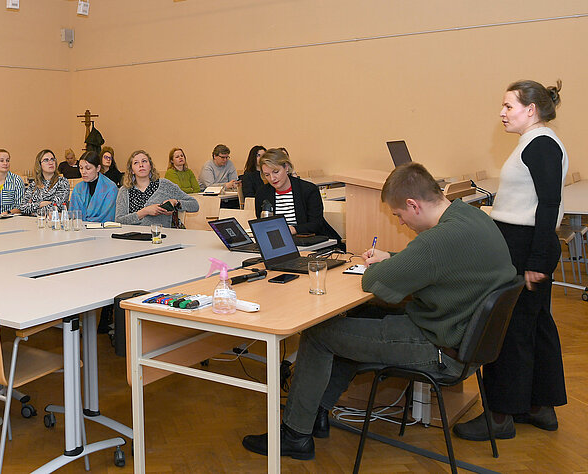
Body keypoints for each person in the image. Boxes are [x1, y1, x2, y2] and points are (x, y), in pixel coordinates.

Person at [242, 163, 518, 461]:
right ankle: (317, 414)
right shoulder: (470, 216)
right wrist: (392, 257)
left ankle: (295, 435)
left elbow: (373, 280)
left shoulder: (436, 241)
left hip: (439, 351)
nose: (401, 223)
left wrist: (387, 264)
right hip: (464, 343)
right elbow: (436, 262)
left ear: (413, 205)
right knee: (355, 319)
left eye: (398, 215)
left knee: (319, 334)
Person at [454, 80, 568, 441]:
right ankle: (539, 406)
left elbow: (548, 204)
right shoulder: (536, 141)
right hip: (525, 244)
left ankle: (500, 415)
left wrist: (537, 260)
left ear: (530, 110)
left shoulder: (541, 145)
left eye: (508, 106)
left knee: (508, 328)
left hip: (525, 248)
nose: (501, 113)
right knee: (533, 325)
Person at [254, 149, 341, 242]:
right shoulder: (262, 193)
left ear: (286, 167)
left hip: (310, 239)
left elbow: (316, 224)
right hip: (279, 241)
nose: (272, 178)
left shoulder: (308, 190)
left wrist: (292, 230)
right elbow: (262, 223)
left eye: (276, 172)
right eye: (267, 175)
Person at [115, 150, 199, 227]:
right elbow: (119, 220)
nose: (141, 165)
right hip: (133, 236)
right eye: (136, 163)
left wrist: (175, 202)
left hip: (161, 236)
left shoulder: (165, 185)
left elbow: (194, 205)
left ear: (150, 166)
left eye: (144, 161)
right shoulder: (124, 190)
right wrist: (144, 212)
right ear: (132, 170)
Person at [18, 150, 70, 216]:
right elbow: (22, 208)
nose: (50, 163)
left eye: (52, 159)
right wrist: (41, 204)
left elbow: (56, 208)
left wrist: (33, 211)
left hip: (53, 221)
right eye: (46, 160)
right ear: (39, 165)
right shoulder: (34, 184)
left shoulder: (62, 182)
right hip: (32, 221)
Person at [70, 151, 118, 223]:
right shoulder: (78, 188)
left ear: (98, 168)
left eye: (88, 168)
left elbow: (108, 217)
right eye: (81, 168)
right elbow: (72, 215)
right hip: (79, 228)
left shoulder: (111, 188)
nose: (83, 172)